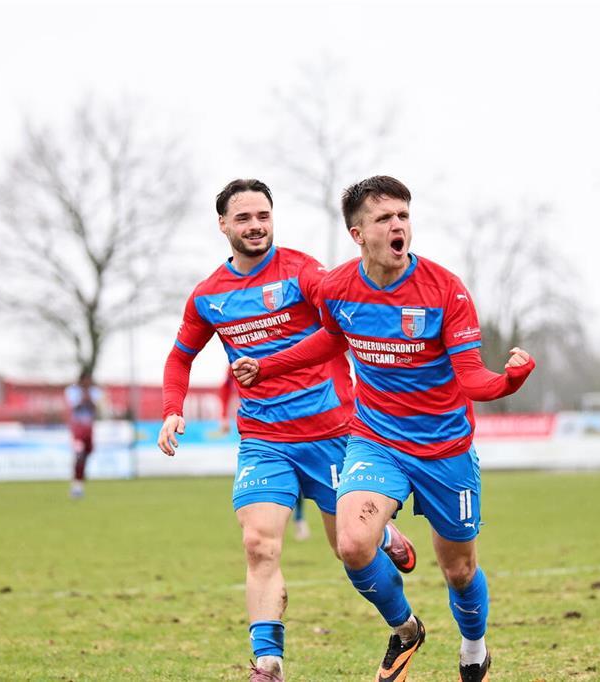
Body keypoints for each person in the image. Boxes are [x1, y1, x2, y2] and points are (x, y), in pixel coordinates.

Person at [232, 175, 535, 682]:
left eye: (403, 216)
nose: (399, 226)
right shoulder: (338, 287)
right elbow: (331, 338)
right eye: (384, 218)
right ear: (358, 233)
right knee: (352, 545)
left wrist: (508, 381)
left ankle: (474, 646)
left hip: (445, 448)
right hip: (377, 441)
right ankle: (406, 629)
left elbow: (471, 379)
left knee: (459, 569)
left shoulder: (446, 291)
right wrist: (268, 366)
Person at [158, 178, 417, 682]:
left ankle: (404, 625)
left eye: (263, 216)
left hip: (333, 434)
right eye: (244, 218)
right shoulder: (209, 295)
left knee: (348, 549)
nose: (256, 226)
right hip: (264, 440)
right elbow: (180, 356)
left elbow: (344, 317)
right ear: (223, 225)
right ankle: (268, 664)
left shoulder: (302, 272)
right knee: (259, 544)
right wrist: (173, 408)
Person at [219, 366, 310, 541]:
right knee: (264, 475)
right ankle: (262, 522)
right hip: (255, 427)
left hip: (288, 424)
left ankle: (297, 518)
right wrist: (223, 416)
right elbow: (226, 386)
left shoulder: (284, 356)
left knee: (296, 473)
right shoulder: (238, 360)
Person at [65, 372, 103, 499]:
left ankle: (79, 479)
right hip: (77, 429)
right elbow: (73, 407)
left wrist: (89, 398)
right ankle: (76, 485)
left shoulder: (94, 391)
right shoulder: (72, 391)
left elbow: (96, 408)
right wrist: (83, 398)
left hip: (89, 428)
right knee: (79, 454)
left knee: (87, 454)